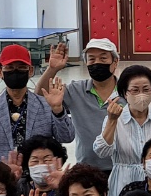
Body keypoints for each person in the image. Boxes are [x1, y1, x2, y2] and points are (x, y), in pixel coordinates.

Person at [0, 44, 74, 166]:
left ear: (30, 71)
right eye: (9, 68)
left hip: (36, 174)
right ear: (0, 72)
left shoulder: (46, 106)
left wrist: (58, 110)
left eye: (22, 68)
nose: (15, 72)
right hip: (0, 175)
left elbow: (67, 137)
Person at [94, 63, 151, 196]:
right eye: (135, 90)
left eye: (146, 90)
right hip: (122, 184)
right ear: (125, 93)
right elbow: (102, 151)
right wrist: (112, 121)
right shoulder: (114, 119)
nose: (141, 95)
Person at [38, 37, 119, 171]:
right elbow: (40, 96)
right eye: (91, 59)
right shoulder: (75, 90)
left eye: (103, 58)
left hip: (121, 167)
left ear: (115, 62)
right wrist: (52, 69)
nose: (97, 63)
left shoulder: (127, 90)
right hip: (86, 168)